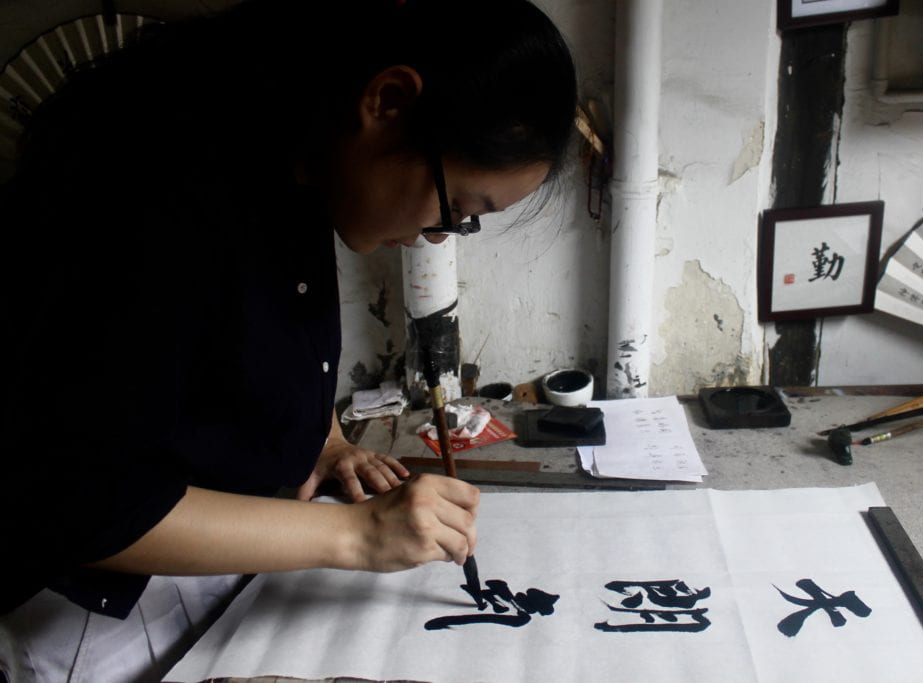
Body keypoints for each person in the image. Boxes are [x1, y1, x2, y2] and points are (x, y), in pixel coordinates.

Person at [0, 0, 578, 680]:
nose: (438, 236)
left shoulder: (302, 159)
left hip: (223, 573)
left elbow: (242, 333)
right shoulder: (146, 187)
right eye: (461, 209)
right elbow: (83, 504)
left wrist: (321, 435)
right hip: (93, 618)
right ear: (387, 101)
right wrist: (359, 535)